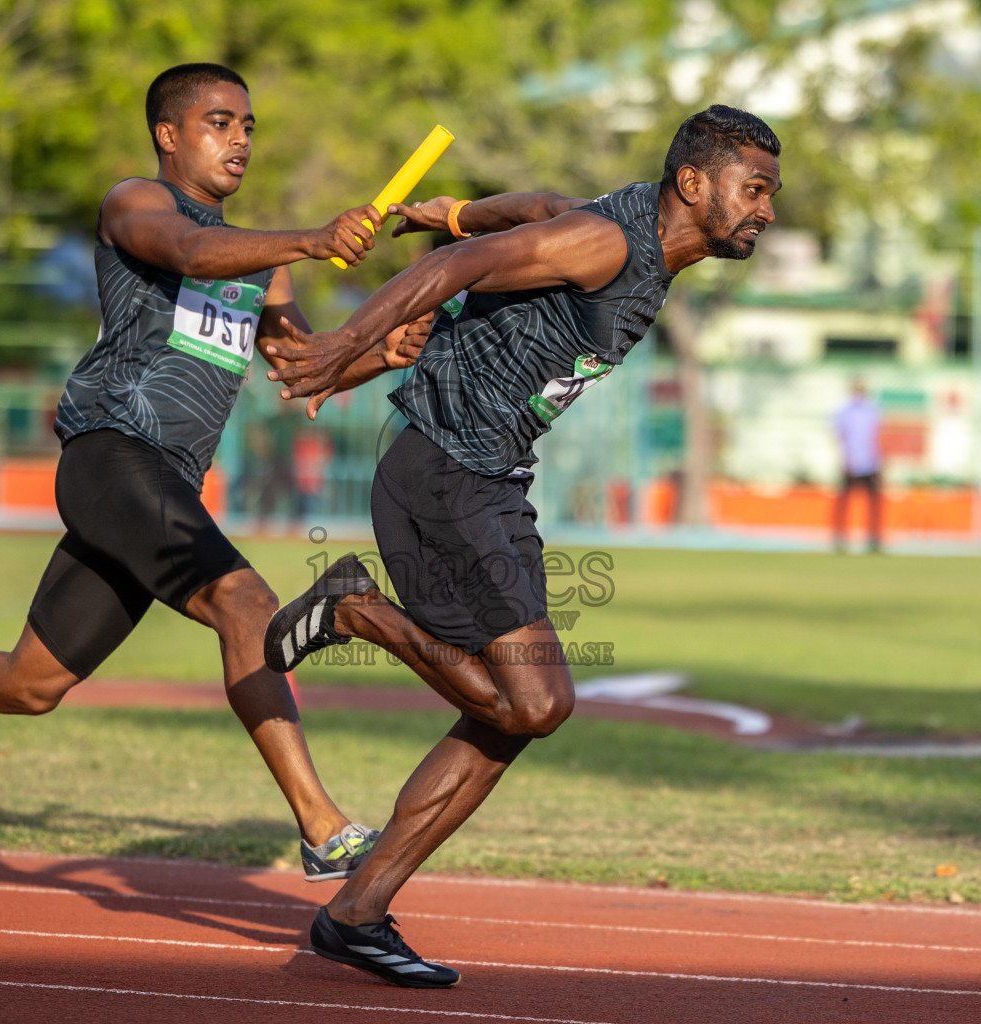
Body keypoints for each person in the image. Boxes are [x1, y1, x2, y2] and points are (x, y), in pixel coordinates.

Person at [0, 62, 431, 884]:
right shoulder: (135, 203)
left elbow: (304, 369)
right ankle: (323, 830)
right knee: (245, 602)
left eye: (249, 126)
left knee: (29, 683)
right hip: (110, 454)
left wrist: (380, 351)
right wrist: (312, 237)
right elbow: (189, 250)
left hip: (166, 484)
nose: (240, 140)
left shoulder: (264, 265)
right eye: (221, 122)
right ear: (168, 135)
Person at [259, 104, 782, 988]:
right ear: (694, 184)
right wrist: (347, 342)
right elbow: (468, 266)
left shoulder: (625, 232)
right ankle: (354, 608)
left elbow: (535, 206)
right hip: (446, 476)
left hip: (486, 483)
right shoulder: (610, 246)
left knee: (502, 722)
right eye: (756, 188)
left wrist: (455, 209)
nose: (768, 208)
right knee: (536, 705)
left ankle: (356, 913)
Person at [832, 377, 883, 553]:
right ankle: (840, 539)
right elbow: (840, 438)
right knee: (844, 504)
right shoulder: (844, 412)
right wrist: (844, 459)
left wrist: (880, 461)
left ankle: (873, 539)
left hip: (870, 462)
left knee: (874, 504)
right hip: (851, 462)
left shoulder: (872, 411)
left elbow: (876, 438)